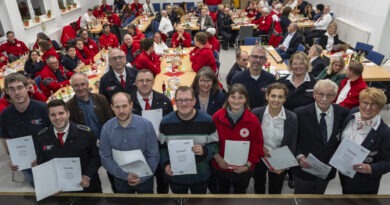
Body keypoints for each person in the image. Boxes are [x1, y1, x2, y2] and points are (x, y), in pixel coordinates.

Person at [292, 79, 349, 194]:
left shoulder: (343, 113)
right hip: (304, 169)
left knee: (319, 198)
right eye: (321, 94)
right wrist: (299, 156)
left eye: (329, 95)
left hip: (326, 170)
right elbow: (293, 139)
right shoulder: (299, 113)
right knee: (302, 199)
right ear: (314, 94)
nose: (324, 98)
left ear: (334, 97)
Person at [159, 86, 219, 194]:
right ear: (175, 102)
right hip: (176, 176)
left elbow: (215, 146)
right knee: (179, 201)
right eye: (179, 100)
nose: (183, 103)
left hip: (200, 176)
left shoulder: (207, 120)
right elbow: (162, 147)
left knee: (199, 202)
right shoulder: (166, 122)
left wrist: (205, 151)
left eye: (187, 100)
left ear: (194, 101)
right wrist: (165, 163)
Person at [35, 99, 102, 193]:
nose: (57, 117)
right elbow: (42, 161)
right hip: (61, 189)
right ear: (49, 117)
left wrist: (88, 176)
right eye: (53, 115)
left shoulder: (86, 134)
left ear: (68, 114)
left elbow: (96, 157)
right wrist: (51, 183)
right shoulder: (42, 137)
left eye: (61, 113)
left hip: (88, 186)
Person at [100, 92, 159, 193]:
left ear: (131, 105)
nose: (121, 111)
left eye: (124, 106)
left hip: (145, 179)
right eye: (117, 107)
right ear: (112, 107)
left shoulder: (146, 125)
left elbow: (153, 155)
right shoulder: (106, 128)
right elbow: (105, 157)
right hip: (120, 179)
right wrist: (124, 175)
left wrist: (143, 177)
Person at [0, 73, 50, 188]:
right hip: (26, 163)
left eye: (20, 87)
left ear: (27, 88)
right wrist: (13, 157)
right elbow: (5, 137)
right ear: (7, 92)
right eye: (11, 89)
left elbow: (54, 133)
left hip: (47, 158)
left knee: (56, 188)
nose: (17, 93)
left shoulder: (42, 108)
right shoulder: (5, 115)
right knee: (38, 187)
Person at [212, 83, 263, 193]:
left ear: (245, 99)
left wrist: (247, 165)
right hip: (221, 166)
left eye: (240, 97)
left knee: (240, 194)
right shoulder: (217, 117)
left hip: (244, 168)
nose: (236, 101)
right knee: (222, 193)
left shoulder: (253, 120)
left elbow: (258, 145)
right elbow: (210, 141)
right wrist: (217, 158)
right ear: (228, 99)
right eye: (233, 97)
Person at [340, 88, 390, 194]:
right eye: (365, 103)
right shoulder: (351, 115)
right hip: (343, 173)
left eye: (373, 104)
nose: (368, 107)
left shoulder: (385, 132)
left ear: (380, 107)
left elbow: (388, 162)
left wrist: (371, 168)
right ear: (360, 103)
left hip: (364, 183)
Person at [130, 69, 173, 193]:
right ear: (135, 83)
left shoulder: (164, 100)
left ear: (153, 82)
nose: (144, 83)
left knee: (163, 184)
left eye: (148, 80)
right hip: (138, 152)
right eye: (141, 81)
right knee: (142, 186)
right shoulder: (128, 102)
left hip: (160, 150)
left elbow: (170, 127)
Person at [252, 83, 298, 194]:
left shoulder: (291, 117)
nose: (276, 100)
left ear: (285, 99)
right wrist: (259, 148)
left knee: (276, 188)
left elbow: (292, 143)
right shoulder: (256, 113)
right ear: (267, 96)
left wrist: (285, 166)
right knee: (258, 184)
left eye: (280, 97)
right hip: (259, 155)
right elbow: (251, 137)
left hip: (279, 157)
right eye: (273, 96)